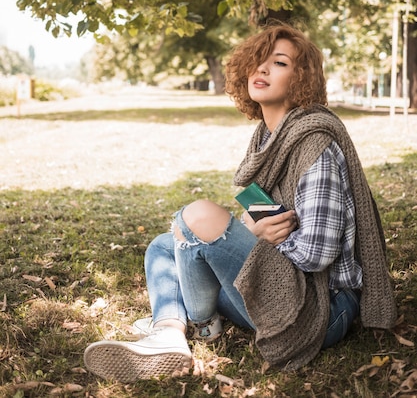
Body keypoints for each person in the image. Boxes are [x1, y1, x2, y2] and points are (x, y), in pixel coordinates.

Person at [83, 22, 397, 383]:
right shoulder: (267, 137)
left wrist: (258, 237)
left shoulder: (315, 145)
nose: (262, 68)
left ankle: (191, 320)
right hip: (283, 287)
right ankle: (169, 332)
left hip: (320, 310)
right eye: (259, 60)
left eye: (279, 63)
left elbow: (316, 255)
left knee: (196, 217)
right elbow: (263, 220)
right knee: (163, 246)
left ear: (301, 78)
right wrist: (252, 229)